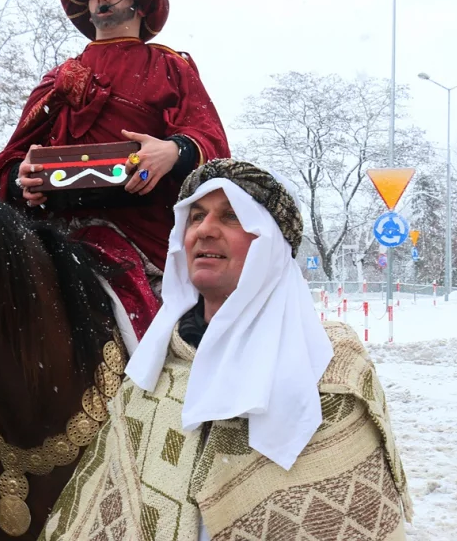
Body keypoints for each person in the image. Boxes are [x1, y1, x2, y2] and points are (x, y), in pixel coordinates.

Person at [0, 0, 230, 526]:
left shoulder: (172, 68)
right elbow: (9, 166)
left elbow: (211, 144)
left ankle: (196, 444)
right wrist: (24, 179)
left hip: (140, 239)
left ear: (139, 2)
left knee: (184, 342)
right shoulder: (55, 79)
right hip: (52, 234)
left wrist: (173, 150)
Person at [37, 159, 413, 541]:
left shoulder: (329, 368)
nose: (204, 230)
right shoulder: (154, 369)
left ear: (270, 244)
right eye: (195, 216)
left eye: (231, 216)